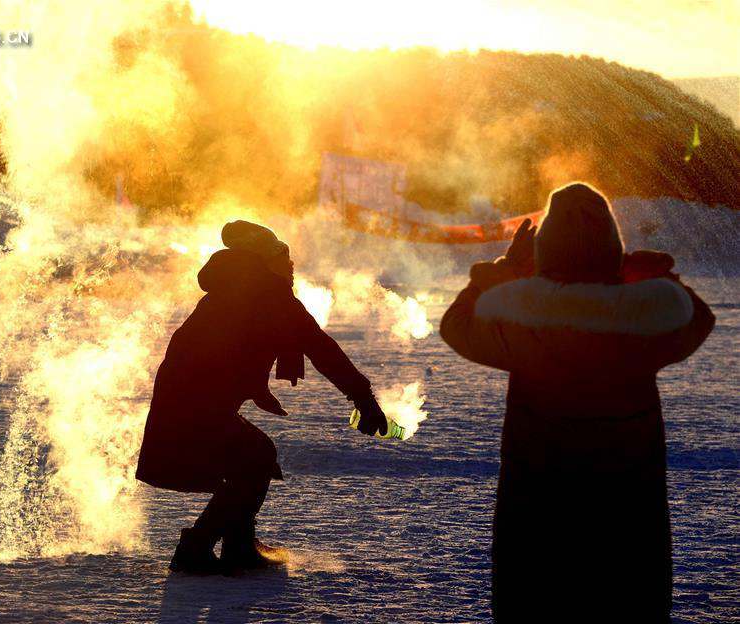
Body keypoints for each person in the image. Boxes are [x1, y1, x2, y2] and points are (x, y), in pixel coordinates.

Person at [439, 183, 714, 622]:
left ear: (546, 254)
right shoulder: (645, 323)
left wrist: (506, 270)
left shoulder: (520, 321)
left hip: (536, 523)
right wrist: (656, 278)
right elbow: (698, 317)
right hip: (629, 526)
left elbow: (457, 325)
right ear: (613, 252)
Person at [137, 220, 388, 574]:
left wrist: (251, 386)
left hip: (185, 398)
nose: (290, 265)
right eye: (282, 256)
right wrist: (364, 400)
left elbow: (236, 348)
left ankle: (237, 545)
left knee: (249, 456)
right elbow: (322, 349)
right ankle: (200, 546)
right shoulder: (268, 294)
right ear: (262, 261)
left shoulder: (234, 290)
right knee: (254, 454)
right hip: (194, 402)